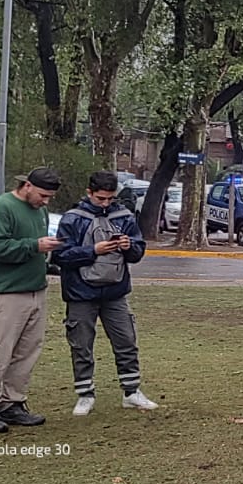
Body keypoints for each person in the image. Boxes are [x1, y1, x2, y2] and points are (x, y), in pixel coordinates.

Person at [50, 171, 158, 417]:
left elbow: (138, 252)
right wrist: (93, 251)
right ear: (89, 193)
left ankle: (131, 392)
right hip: (80, 293)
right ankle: (85, 394)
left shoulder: (124, 216)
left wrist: (129, 247)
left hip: (115, 292)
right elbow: (60, 256)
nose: (105, 203)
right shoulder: (73, 218)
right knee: (81, 345)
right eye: (100, 198)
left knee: (126, 341)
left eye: (110, 198)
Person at [0, 167, 64, 434]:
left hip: (35, 291)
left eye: (50, 197)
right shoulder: (0, 209)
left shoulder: (39, 211)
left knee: (26, 352)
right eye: (43, 195)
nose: (45, 201)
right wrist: (34, 246)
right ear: (27, 186)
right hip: (6, 294)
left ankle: (12, 402)